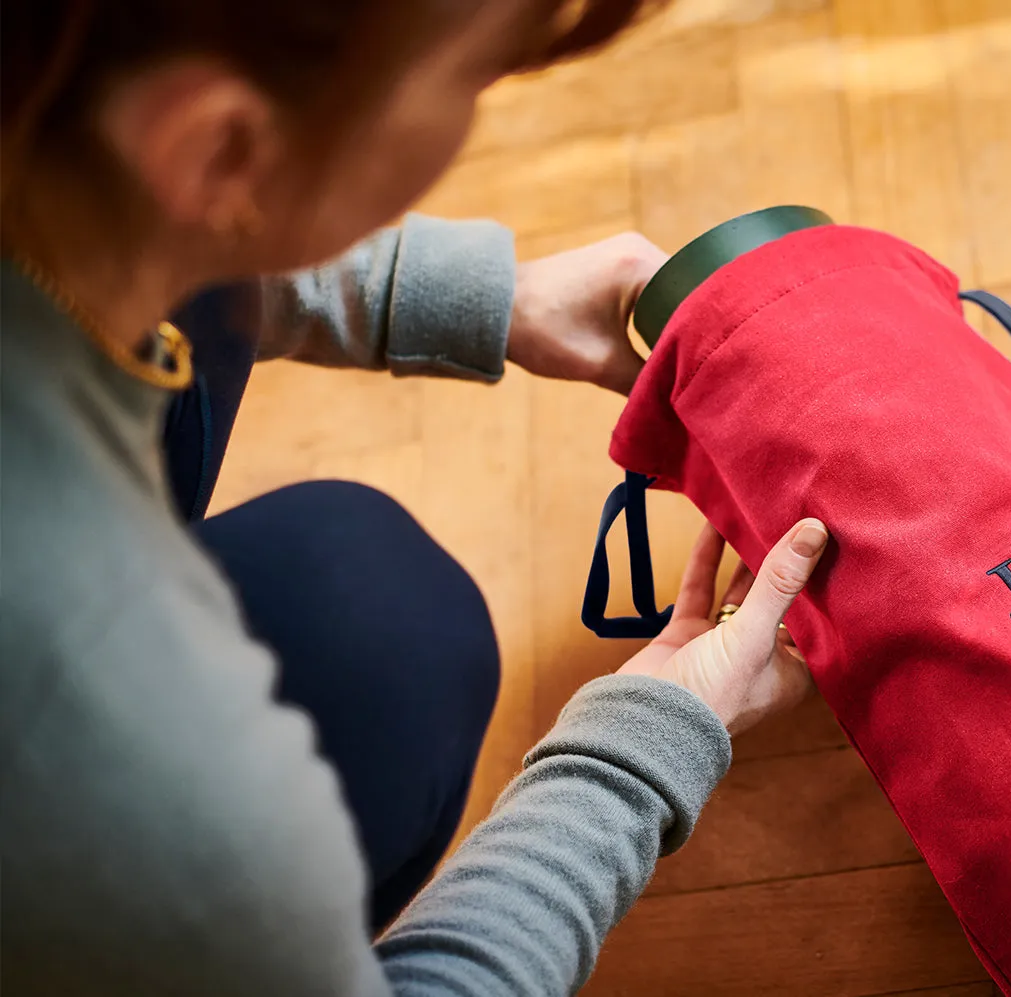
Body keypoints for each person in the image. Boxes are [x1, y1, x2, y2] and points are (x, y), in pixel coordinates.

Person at [0, 1, 831, 994]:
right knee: (393, 648)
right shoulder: (115, 705)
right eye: (471, 80)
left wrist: (462, 295)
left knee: (359, 598)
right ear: (222, 142)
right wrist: (643, 744)